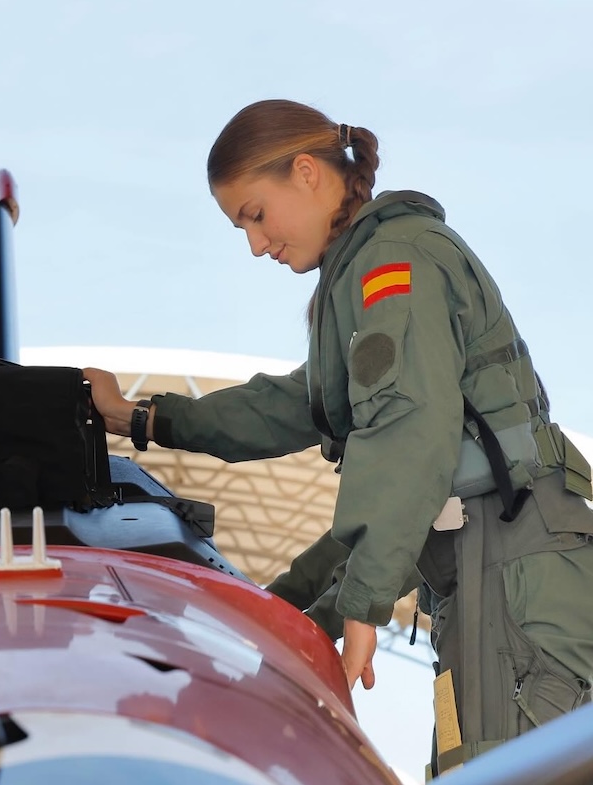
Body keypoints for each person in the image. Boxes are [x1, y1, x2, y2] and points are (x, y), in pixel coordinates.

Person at [83, 98, 593, 776]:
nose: (256, 245)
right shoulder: (356, 279)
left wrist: (360, 609)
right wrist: (140, 418)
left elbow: (407, 434)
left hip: (511, 579)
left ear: (306, 172)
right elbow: (292, 407)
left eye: (256, 215)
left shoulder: (394, 262)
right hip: (480, 578)